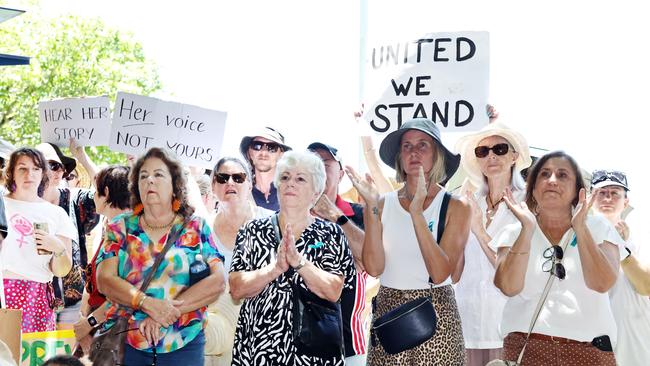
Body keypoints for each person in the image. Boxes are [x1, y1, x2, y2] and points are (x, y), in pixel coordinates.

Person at [346, 118, 470, 365]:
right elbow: (374, 268)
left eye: (423, 145)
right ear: (400, 157)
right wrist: (371, 207)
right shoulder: (382, 204)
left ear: (437, 154)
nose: (414, 152)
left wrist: (417, 215)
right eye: (407, 146)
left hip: (437, 317)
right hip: (389, 314)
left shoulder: (456, 206)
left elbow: (440, 273)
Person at [96, 147, 226, 365]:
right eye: (143, 176)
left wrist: (164, 311)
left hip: (184, 343)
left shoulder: (195, 226)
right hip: (126, 344)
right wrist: (145, 303)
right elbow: (104, 280)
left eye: (158, 174)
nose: (149, 181)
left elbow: (218, 282)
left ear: (175, 185)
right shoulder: (120, 227)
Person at [492, 151, 621, 365]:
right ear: (532, 189)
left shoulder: (599, 227)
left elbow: (602, 283)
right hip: (526, 349)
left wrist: (580, 227)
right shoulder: (513, 231)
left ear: (578, 191)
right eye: (544, 174)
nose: (552, 180)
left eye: (562, 175)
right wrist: (527, 229)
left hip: (589, 351)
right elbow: (508, 287)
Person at [229, 150, 356, 366]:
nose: (290, 184)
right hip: (258, 351)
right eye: (285, 177)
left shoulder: (331, 234)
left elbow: (334, 291)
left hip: (314, 355)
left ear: (316, 193)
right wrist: (274, 269)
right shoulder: (252, 230)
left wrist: (300, 264)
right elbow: (237, 288)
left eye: (300, 179)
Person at [453, 122, 532, 365]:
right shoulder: (466, 202)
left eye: (499, 149)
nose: (491, 156)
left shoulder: (528, 204)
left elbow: (510, 269)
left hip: (510, 328)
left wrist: (478, 228)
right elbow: (455, 272)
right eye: (482, 151)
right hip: (466, 326)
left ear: (514, 157)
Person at [204, 157, 272, 366]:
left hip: (262, 336)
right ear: (214, 186)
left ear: (250, 184)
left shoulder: (272, 223)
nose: (230, 183)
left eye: (238, 177)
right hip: (216, 339)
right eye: (222, 178)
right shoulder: (202, 230)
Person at [307, 142, 370, 365]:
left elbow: (370, 261)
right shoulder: (291, 216)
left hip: (350, 345)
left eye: (325, 163)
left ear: (341, 173)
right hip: (300, 345)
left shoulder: (359, 213)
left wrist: (334, 215)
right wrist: (348, 255)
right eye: (312, 163)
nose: (318, 169)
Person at [1, 147, 76, 332]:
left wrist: (58, 248)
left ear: (43, 173)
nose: (30, 174)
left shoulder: (56, 214)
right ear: (11, 173)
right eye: (22, 168)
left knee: (32, 359)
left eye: (36, 169)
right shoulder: (1, 205)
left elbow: (62, 270)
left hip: (36, 298)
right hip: (2, 293)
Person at [35, 142, 100, 328]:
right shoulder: (22, 203)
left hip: (71, 301)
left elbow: (105, 192)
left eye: (57, 166)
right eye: (46, 165)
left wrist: (83, 158)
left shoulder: (74, 198)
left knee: (63, 356)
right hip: (32, 295)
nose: (53, 171)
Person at [590, 169, 650, 365]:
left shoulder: (641, 236)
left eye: (615, 192)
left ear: (626, 201)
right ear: (591, 198)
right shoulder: (575, 237)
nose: (608, 197)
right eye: (601, 192)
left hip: (634, 341)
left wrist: (621, 247)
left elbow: (646, 285)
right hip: (588, 341)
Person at [72, 165, 131, 355]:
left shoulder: (128, 233)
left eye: (95, 191)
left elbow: (126, 294)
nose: (92, 196)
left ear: (106, 192)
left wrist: (89, 323)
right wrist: (84, 323)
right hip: (99, 327)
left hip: (116, 332)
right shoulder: (112, 228)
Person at [239, 126, 291, 211]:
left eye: (272, 147)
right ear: (249, 153)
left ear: (281, 154)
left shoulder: (293, 193)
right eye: (257, 146)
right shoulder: (240, 194)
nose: (263, 152)